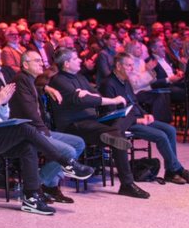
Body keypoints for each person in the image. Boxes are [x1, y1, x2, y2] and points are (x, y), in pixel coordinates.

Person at [0, 48, 94, 215]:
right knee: (24, 128)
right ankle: (66, 162)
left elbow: (4, 116)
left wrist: (4, 105)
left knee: (28, 145)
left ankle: (31, 197)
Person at [50, 48, 150, 199]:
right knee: (118, 136)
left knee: (128, 111)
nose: (80, 61)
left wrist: (87, 94)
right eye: (76, 59)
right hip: (74, 125)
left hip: (93, 122)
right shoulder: (59, 81)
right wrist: (109, 100)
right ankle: (127, 184)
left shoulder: (80, 78)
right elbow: (84, 100)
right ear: (66, 63)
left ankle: (115, 133)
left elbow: (95, 95)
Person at [100, 53, 189, 185]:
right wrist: (137, 120)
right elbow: (111, 113)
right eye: (128, 65)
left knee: (170, 130)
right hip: (125, 123)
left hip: (137, 117)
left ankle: (171, 170)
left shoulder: (125, 81)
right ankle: (177, 170)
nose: (131, 68)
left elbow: (134, 102)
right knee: (161, 136)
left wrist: (145, 114)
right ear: (118, 66)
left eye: (132, 65)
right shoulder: (108, 84)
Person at [8, 50, 88, 204]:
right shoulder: (21, 80)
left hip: (38, 129)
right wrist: (45, 134)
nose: (41, 63)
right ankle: (38, 185)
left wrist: (46, 88)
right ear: (25, 65)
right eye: (36, 61)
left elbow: (37, 89)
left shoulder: (29, 79)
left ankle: (46, 183)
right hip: (29, 132)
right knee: (69, 150)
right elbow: (29, 113)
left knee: (78, 143)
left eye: (41, 60)